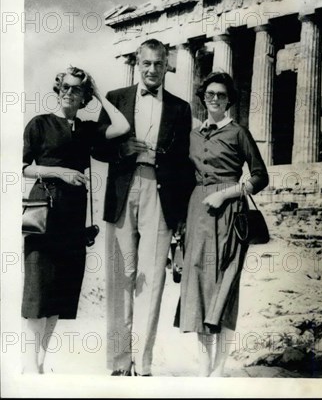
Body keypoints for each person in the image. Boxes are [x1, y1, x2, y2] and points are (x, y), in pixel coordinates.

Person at [93, 38, 193, 377]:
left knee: (151, 279)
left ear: (167, 65)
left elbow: (182, 165)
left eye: (159, 64)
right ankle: (120, 363)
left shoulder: (181, 109)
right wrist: (121, 152)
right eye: (146, 63)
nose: (152, 70)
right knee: (122, 276)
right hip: (122, 191)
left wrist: (179, 217)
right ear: (138, 62)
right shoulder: (116, 99)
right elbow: (96, 145)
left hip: (160, 194)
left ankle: (144, 363)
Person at [22, 66, 130, 374]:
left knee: (59, 294)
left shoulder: (86, 130)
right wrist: (59, 171)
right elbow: (21, 166)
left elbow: (121, 127)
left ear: (83, 97)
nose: (69, 92)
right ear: (58, 90)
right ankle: (30, 365)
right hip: (42, 212)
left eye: (77, 89)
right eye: (65, 87)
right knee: (38, 290)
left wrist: (96, 91)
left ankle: (41, 363)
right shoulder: (39, 124)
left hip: (72, 219)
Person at [176, 71, 269, 377]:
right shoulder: (193, 135)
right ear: (203, 98)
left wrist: (228, 193)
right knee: (199, 288)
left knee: (225, 287)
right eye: (210, 94)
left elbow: (260, 175)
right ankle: (203, 366)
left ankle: (219, 367)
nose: (215, 99)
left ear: (230, 100)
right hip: (197, 214)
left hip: (230, 214)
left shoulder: (238, 132)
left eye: (221, 95)